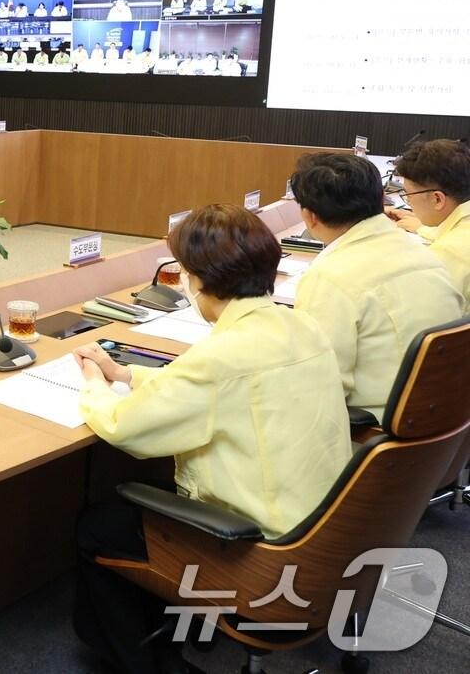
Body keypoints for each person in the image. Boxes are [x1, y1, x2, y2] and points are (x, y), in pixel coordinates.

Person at [72, 204, 349, 674]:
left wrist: (97, 386)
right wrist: (126, 373)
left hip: (264, 552)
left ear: (201, 279)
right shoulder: (298, 324)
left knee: (99, 524)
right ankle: (187, 626)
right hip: (324, 533)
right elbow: (201, 389)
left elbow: (125, 426)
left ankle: (152, 664)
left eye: (183, 272)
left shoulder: (224, 354)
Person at [291, 153, 461, 421]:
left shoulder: (330, 278)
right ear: (381, 201)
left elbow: (318, 388)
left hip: (373, 436)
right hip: (439, 429)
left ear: (310, 217)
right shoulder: (426, 254)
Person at [388, 139, 470, 304]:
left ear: (437, 199)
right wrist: (421, 226)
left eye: (408, 195)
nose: (409, 202)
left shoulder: (445, 255)